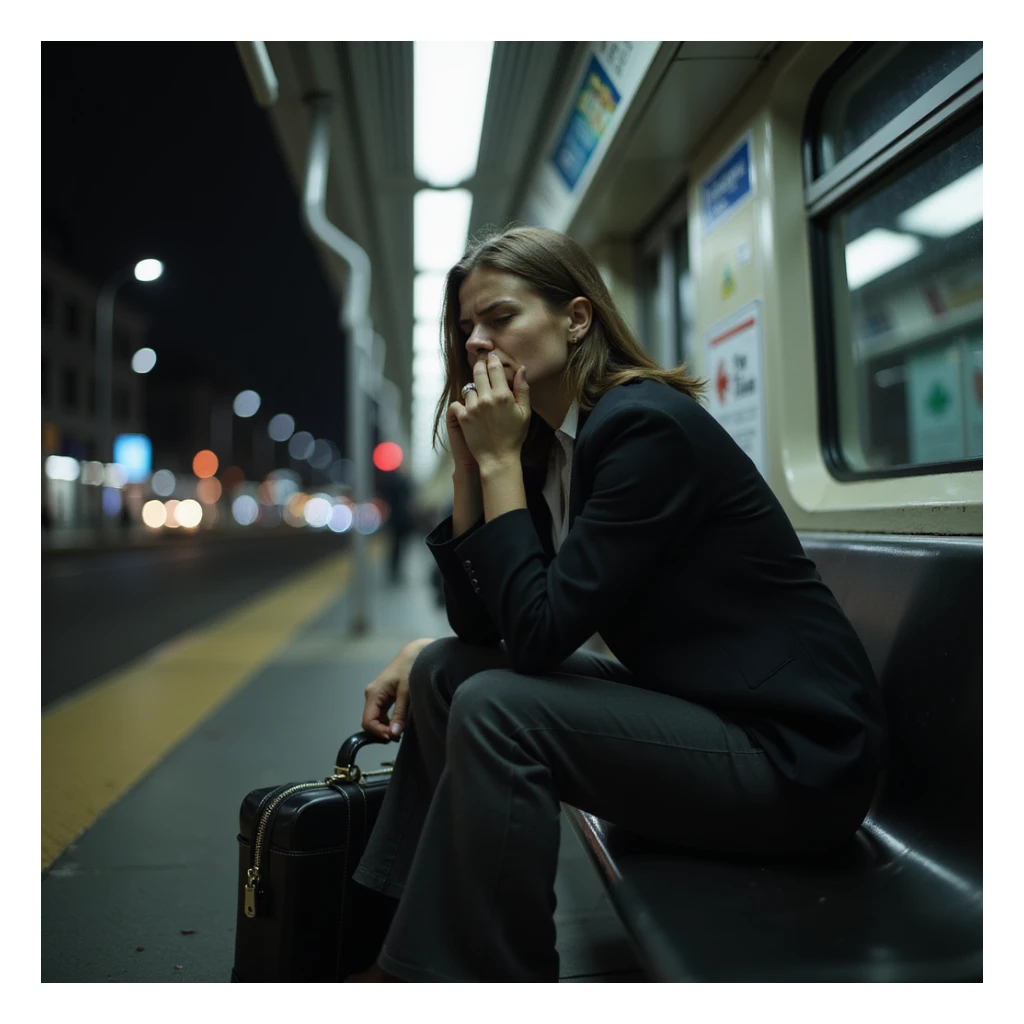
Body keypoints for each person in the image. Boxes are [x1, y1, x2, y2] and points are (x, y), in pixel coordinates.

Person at [347, 225, 887, 983]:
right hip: (709, 716)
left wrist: (499, 458)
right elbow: (479, 623)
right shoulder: (552, 445)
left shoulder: (643, 428)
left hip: (797, 762)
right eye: (464, 327)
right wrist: (474, 466)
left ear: (576, 318)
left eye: (499, 318)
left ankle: (476, 977)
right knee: (444, 669)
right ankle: (391, 930)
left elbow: (533, 639)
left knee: (502, 705)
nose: (474, 342)